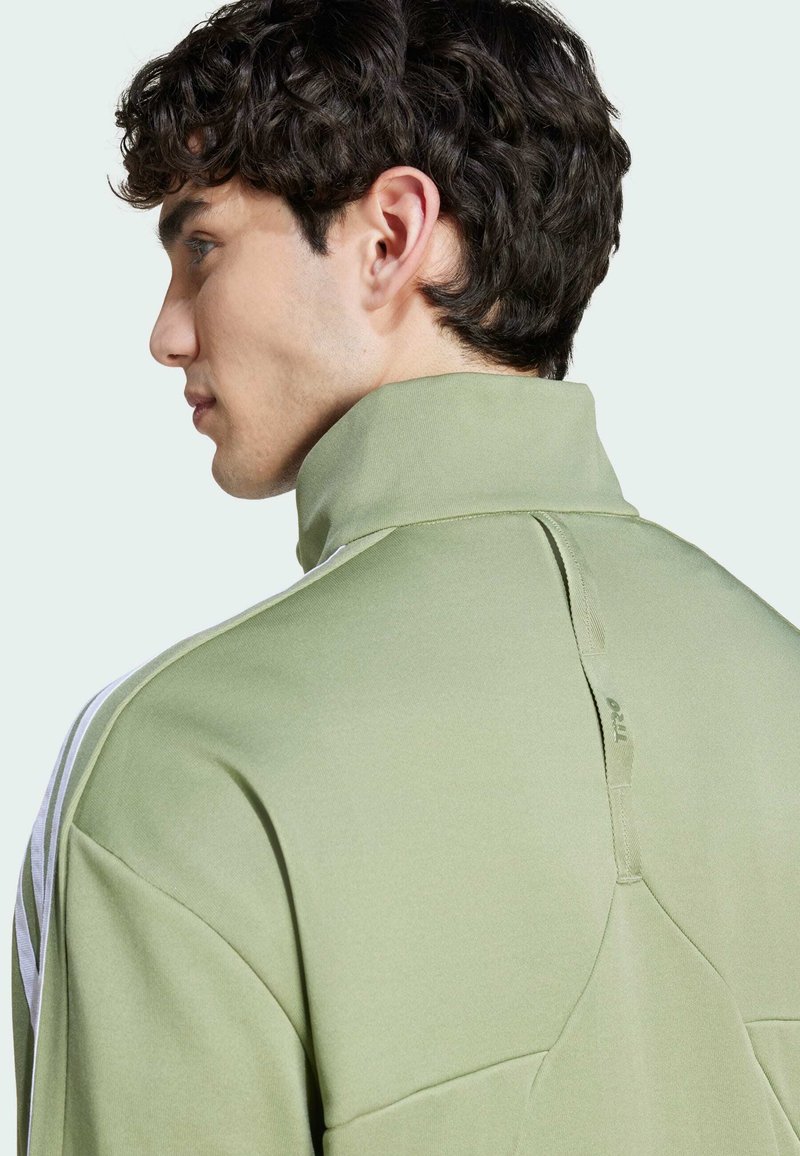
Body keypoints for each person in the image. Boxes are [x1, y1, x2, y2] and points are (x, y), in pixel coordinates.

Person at [11, 0, 800, 1152]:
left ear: (389, 236)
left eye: (201, 246)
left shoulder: (185, 764)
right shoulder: (779, 679)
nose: (167, 332)